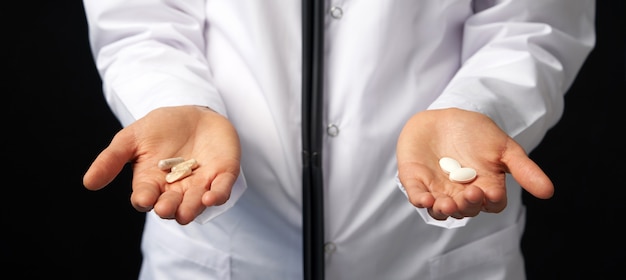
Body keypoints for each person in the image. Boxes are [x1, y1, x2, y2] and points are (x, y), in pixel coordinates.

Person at [81, 1, 595, 279]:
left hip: (432, 249)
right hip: (225, 249)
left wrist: (480, 107)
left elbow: (534, 22)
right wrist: (174, 97)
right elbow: (141, 20)